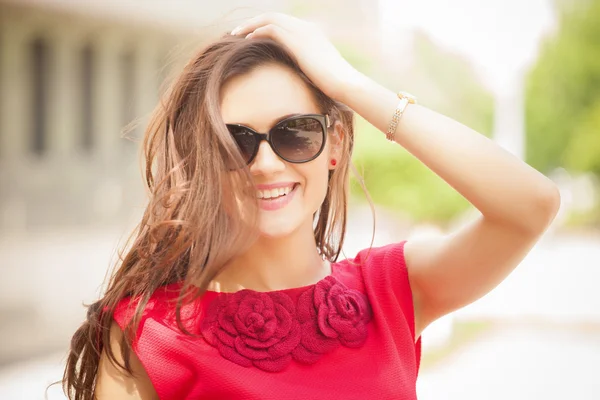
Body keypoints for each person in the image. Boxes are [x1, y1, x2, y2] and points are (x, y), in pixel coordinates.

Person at [61, 13, 560, 400]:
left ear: (336, 145)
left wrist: (348, 84)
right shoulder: (148, 334)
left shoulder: (393, 290)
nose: (266, 164)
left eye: (295, 133)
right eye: (235, 142)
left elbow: (531, 205)